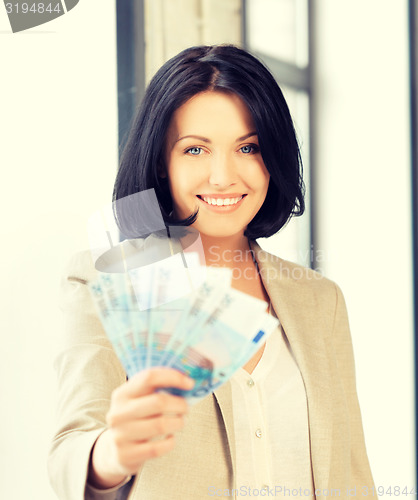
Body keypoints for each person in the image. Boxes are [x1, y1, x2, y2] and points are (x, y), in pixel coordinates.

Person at [48, 45, 376, 499]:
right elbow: (70, 452)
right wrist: (114, 453)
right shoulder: (105, 278)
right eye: (196, 149)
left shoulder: (321, 301)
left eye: (248, 147)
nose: (222, 177)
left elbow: (352, 474)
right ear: (162, 163)